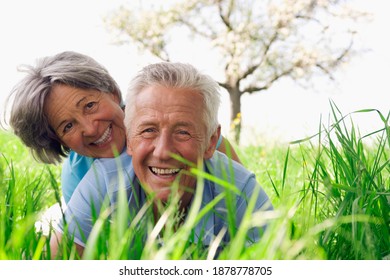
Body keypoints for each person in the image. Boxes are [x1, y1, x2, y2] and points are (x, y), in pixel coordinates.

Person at [50, 62, 273, 258]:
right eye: (148, 130)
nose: (163, 152)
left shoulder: (239, 188)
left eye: (183, 132)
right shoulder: (102, 181)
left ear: (211, 141)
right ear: (129, 138)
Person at [5, 51, 241, 204]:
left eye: (89, 105)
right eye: (67, 126)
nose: (89, 128)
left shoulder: (186, 136)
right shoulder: (78, 174)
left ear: (113, 93)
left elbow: (243, 198)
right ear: (60, 141)